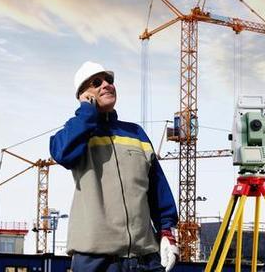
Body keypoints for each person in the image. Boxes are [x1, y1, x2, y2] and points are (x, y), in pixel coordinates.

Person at [50, 61, 179, 272]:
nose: (107, 85)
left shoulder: (136, 133)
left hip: (145, 259)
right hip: (96, 261)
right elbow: (62, 153)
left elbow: (157, 188)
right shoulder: (76, 132)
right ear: (84, 94)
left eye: (109, 80)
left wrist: (167, 232)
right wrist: (86, 113)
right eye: (97, 82)